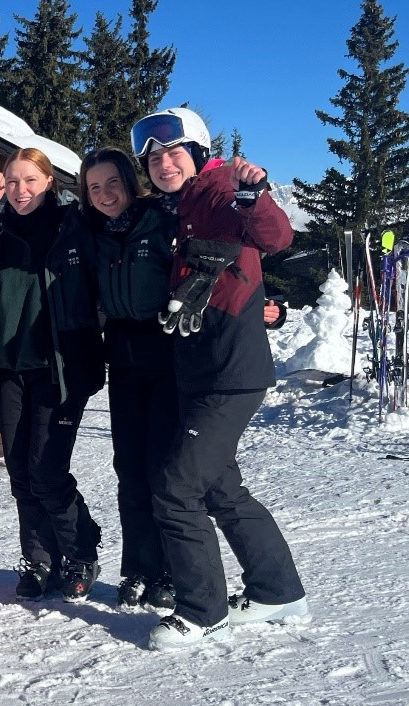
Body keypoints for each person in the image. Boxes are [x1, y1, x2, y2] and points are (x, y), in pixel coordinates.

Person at [128, 108, 310, 651]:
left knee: (175, 485)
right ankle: (278, 591)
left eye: (174, 152)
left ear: (200, 153)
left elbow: (274, 237)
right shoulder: (181, 207)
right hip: (201, 371)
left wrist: (254, 194)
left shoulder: (218, 193)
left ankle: (201, 609)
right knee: (220, 487)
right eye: (154, 157)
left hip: (231, 370)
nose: (164, 163)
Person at [0, 147, 105, 602]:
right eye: (12, 182)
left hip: (59, 369)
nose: (21, 190)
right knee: (19, 473)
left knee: (47, 470)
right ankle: (39, 559)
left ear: (50, 182)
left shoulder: (74, 229)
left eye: (31, 180)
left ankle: (80, 551)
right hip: (9, 369)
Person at [69, 147, 179, 612]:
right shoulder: (90, 231)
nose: (105, 194)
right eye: (94, 187)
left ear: (130, 183)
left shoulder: (161, 219)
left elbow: (217, 264)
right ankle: (138, 568)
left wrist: (267, 304)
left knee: (166, 471)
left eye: (112, 183)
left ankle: (172, 572)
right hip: (124, 359)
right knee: (129, 469)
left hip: (169, 355)